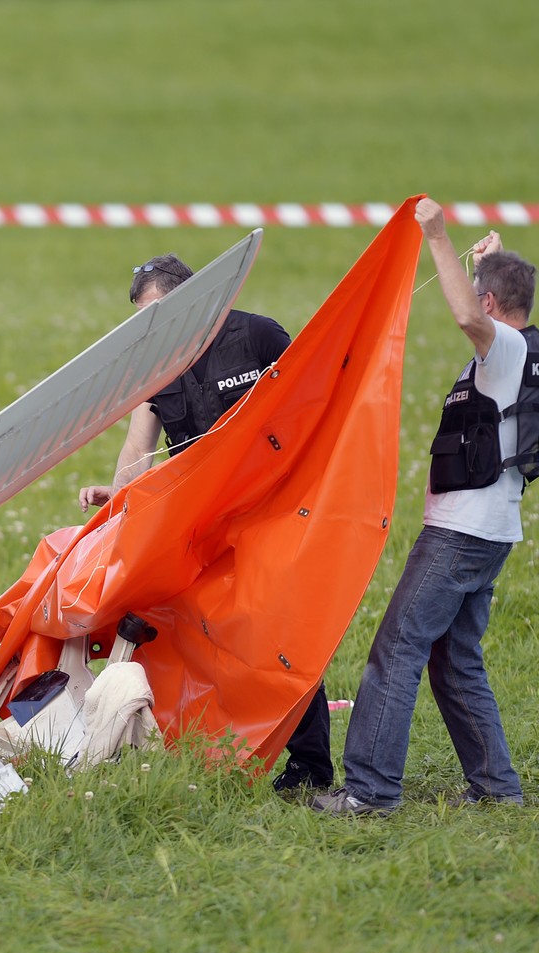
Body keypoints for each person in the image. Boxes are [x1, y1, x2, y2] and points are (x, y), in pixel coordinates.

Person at [77, 254, 334, 794]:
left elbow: (315, 402)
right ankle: (182, 746)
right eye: (140, 318)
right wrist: (118, 499)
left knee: (273, 633)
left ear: (192, 300)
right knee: (187, 625)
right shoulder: (157, 363)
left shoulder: (259, 336)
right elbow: (137, 445)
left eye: (156, 312)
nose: (148, 327)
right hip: (201, 523)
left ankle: (311, 767)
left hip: (270, 513)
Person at [312, 202, 534, 816]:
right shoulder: (516, 350)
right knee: (454, 660)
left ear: (492, 306)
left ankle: (369, 791)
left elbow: (466, 312)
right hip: (488, 533)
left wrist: (436, 234)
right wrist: (487, 261)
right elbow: (480, 303)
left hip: (461, 536)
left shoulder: (505, 349)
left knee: (398, 649)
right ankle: (497, 789)